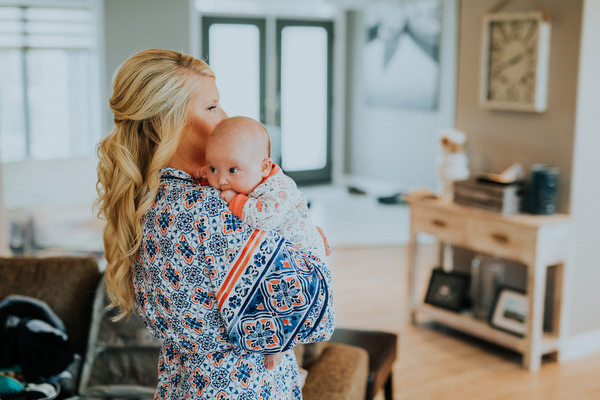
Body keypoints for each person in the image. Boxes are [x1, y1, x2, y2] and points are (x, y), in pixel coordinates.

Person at [95, 49, 335, 399]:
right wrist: (312, 240)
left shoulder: (148, 201)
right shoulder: (212, 210)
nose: (226, 117)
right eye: (211, 107)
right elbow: (313, 310)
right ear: (167, 121)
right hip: (241, 388)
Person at [201, 116, 331, 369]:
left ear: (264, 167)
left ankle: (282, 344)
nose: (221, 181)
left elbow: (264, 217)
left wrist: (233, 200)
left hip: (304, 258)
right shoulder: (250, 177)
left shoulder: (279, 187)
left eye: (232, 170)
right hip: (281, 251)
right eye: (213, 168)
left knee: (285, 300)